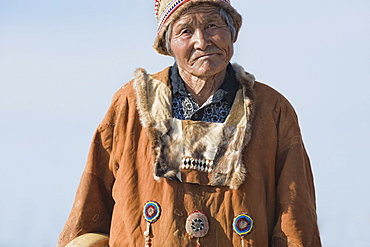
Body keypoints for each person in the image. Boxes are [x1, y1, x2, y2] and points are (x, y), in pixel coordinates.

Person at [58, 0, 321, 246]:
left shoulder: (271, 109)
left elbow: (296, 218)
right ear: (168, 44)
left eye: (212, 26)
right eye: (185, 31)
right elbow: (91, 211)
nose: (202, 41)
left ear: (233, 33)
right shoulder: (130, 105)